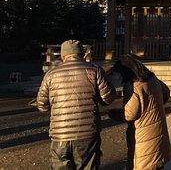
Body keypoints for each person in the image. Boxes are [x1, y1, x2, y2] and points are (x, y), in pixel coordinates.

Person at [36, 39, 116, 170]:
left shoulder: (51, 74)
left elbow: (42, 105)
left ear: (63, 56)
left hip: (60, 135)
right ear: (82, 55)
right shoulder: (94, 70)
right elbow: (108, 98)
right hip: (87, 133)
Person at [108, 54, 171, 170]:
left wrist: (113, 113)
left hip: (142, 136)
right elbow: (166, 93)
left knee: (143, 164)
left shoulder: (133, 86)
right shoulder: (153, 79)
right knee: (157, 164)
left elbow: (129, 114)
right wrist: (154, 106)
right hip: (158, 131)